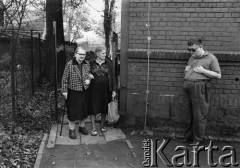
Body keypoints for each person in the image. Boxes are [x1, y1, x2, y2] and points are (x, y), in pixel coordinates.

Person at [180, 38, 221, 146]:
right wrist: (187, 70)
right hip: (187, 86)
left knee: (199, 114)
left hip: (200, 87)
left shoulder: (211, 58)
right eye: (189, 50)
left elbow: (218, 75)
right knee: (187, 113)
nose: (191, 52)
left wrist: (203, 71)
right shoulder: (192, 57)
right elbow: (187, 68)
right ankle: (187, 136)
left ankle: (197, 139)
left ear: (200, 47)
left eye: (193, 50)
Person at [61, 46, 94, 139]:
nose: (82, 56)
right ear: (76, 54)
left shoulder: (86, 63)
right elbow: (64, 78)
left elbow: (88, 75)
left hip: (84, 91)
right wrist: (64, 91)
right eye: (80, 54)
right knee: (73, 111)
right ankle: (71, 130)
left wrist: (89, 80)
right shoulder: (70, 64)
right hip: (73, 91)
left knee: (84, 110)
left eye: (84, 54)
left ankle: (81, 127)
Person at [89, 46, 116, 136]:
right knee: (93, 108)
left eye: (105, 53)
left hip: (105, 90)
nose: (105, 55)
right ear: (97, 53)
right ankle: (93, 127)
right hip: (93, 90)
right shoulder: (91, 63)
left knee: (104, 107)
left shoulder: (109, 63)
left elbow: (113, 77)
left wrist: (114, 90)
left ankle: (102, 125)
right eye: (103, 53)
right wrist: (88, 75)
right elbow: (85, 72)